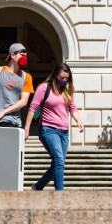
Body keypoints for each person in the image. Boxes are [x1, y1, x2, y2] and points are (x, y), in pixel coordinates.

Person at [23, 63, 85, 191]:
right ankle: (59, 193)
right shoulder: (44, 88)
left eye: (67, 78)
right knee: (59, 160)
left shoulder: (68, 89)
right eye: (62, 77)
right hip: (48, 130)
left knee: (58, 163)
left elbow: (72, 108)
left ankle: (38, 186)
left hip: (64, 132)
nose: (64, 80)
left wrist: (78, 120)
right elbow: (33, 107)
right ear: (55, 75)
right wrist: (27, 128)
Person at [0, 42, 34, 128]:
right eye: (22, 55)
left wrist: (3, 112)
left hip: (16, 122)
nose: (24, 58)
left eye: (25, 55)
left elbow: (24, 101)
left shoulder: (27, 77)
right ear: (13, 55)